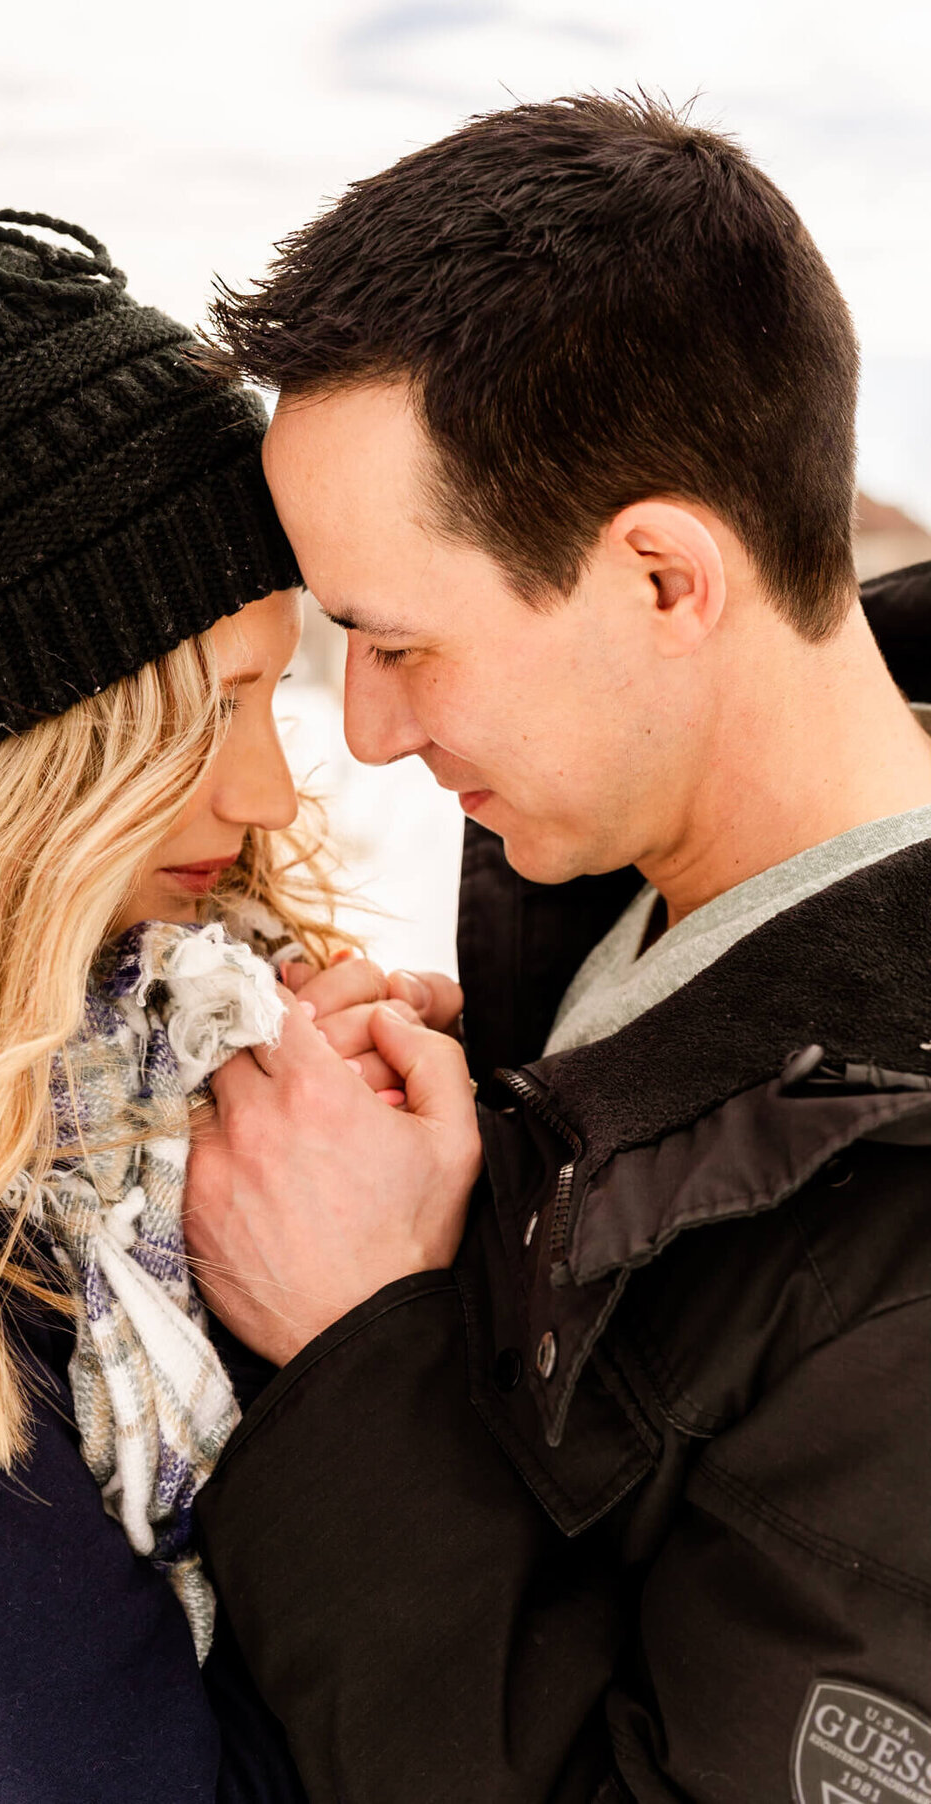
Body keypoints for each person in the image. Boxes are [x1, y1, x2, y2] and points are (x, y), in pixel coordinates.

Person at [182, 95, 931, 1802]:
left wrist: (359, 1338)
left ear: (665, 578)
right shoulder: (618, 893)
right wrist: (513, 1153)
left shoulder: (908, 1269)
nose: (361, 736)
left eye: (396, 642)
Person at [0, 210, 457, 1803]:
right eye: (201, 717)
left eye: (275, 692)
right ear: (5, 756)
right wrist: (359, 1346)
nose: (269, 790)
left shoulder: (168, 1035)